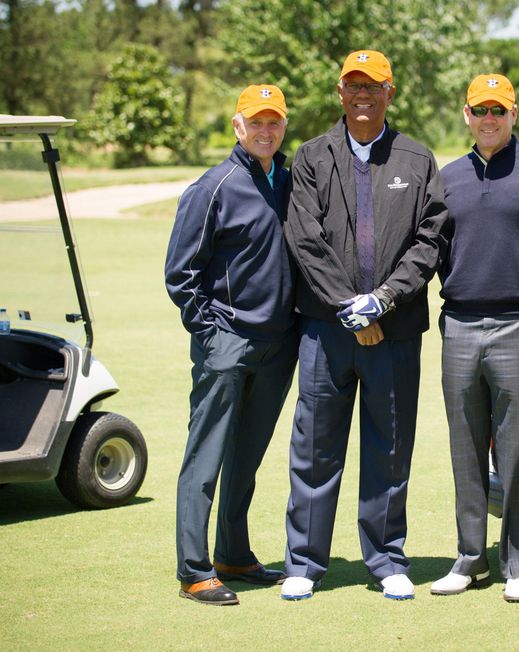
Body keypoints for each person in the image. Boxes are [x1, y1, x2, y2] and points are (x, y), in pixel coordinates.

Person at [280, 50, 449, 601]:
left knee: (389, 448)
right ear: (340, 92)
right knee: (316, 446)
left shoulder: (418, 158)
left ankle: (386, 558)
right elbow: (304, 238)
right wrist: (347, 308)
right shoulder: (310, 156)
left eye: (372, 86)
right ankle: (304, 562)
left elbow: (430, 239)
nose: (362, 95)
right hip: (326, 332)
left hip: (394, 332)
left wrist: (383, 301)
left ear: (389, 92)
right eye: (353, 85)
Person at [165, 84, 298, 606]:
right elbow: (181, 273)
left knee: (246, 457)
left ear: (283, 126)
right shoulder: (213, 186)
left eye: (275, 121)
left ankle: (232, 554)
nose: (266, 130)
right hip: (228, 342)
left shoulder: (287, 181)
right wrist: (212, 332)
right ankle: (194, 569)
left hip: (276, 346)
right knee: (207, 456)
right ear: (238, 126)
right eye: (256, 121)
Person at [430, 74, 519, 603]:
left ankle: (518, 561)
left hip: (518, 323)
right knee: (465, 447)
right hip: (459, 322)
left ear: (512, 113)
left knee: (517, 450)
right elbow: (433, 248)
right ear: (466, 115)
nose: (489, 119)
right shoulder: (447, 177)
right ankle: (469, 557)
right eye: (480, 110)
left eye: (498, 111)